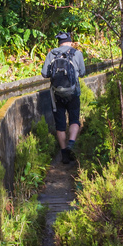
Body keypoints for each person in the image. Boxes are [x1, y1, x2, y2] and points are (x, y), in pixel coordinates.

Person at [42, 32, 86, 164]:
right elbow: (83, 73)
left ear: (59, 43)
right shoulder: (76, 53)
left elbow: (45, 74)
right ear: (70, 42)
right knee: (74, 120)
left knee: (60, 125)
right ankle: (71, 144)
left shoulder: (52, 54)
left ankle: (64, 154)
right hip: (73, 93)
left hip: (56, 95)